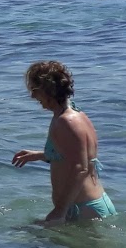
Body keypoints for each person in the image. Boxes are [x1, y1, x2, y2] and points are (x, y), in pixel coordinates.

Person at [12, 60, 115, 223]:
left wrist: (60, 211)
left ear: (47, 90)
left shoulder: (67, 121)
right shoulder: (74, 114)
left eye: (34, 90)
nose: (32, 96)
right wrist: (39, 155)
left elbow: (81, 168)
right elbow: (71, 156)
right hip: (85, 206)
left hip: (84, 210)